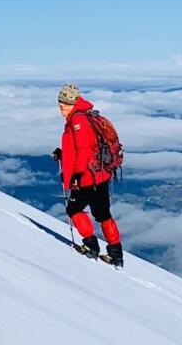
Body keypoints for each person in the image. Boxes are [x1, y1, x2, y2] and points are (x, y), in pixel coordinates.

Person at [52, 84, 124, 267]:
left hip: (87, 177)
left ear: (72, 103)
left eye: (65, 104)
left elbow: (84, 151)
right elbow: (82, 148)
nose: (62, 108)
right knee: (102, 214)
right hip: (100, 174)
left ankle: (91, 246)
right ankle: (116, 255)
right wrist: (63, 154)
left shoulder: (78, 121)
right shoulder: (85, 115)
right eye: (61, 104)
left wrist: (76, 176)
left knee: (74, 210)